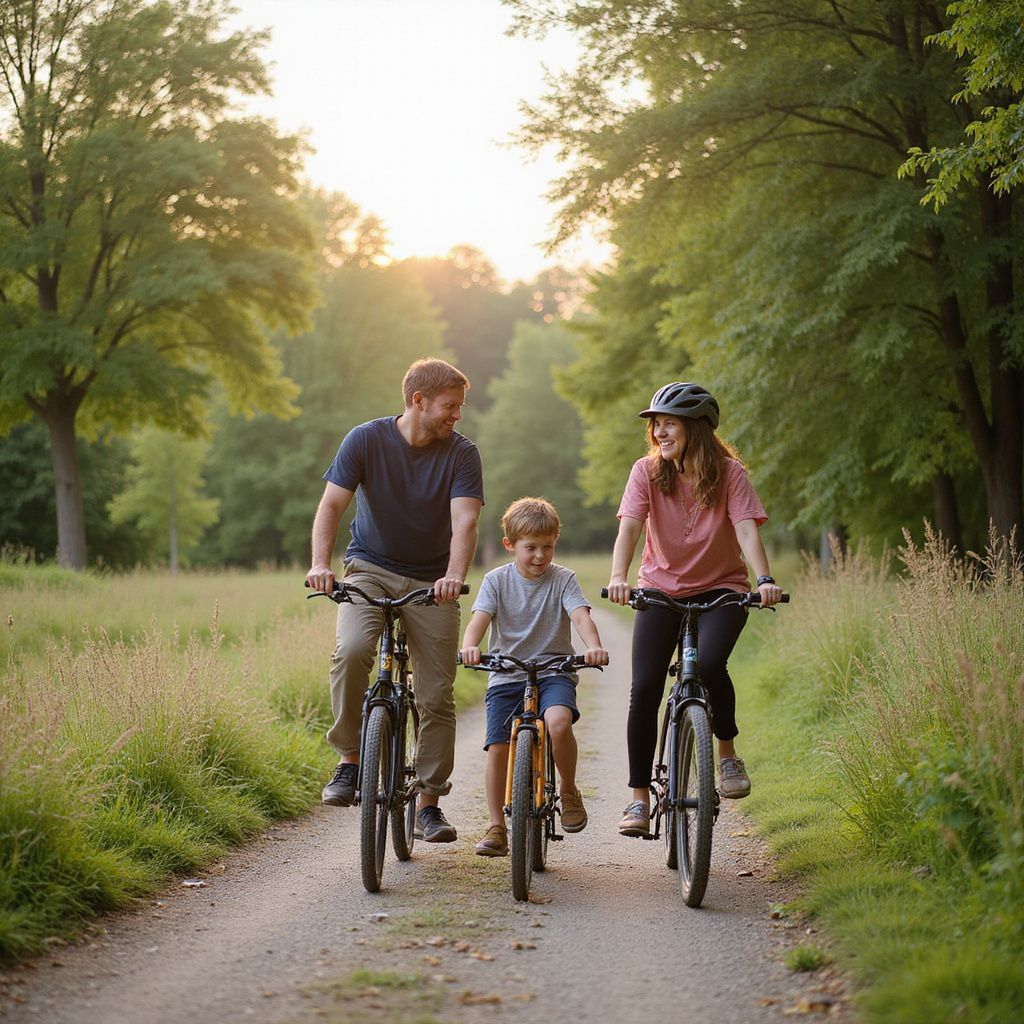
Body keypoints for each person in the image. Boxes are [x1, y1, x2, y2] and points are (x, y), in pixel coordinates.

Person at [306, 358, 483, 843]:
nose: (457, 417)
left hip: (433, 582)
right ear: (417, 401)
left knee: (435, 696)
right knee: (352, 650)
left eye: (460, 407)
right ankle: (348, 760)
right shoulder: (364, 439)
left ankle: (428, 803)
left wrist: (453, 576)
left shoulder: (462, 454)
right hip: (370, 569)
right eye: (450, 407)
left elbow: (464, 521)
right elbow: (332, 505)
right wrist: (321, 564)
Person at [605, 382, 783, 837]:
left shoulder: (730, 474)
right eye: (656, 425)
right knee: (644, 687)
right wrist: (618, 577)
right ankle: (638, 800)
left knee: (707, 666)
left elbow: (745, 530)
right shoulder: (646, 472)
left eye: (668, 424)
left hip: (721, 589)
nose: (659, 433)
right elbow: (629, 529)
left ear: (696, 428)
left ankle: (725, 757)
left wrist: (764, 580)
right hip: (659, 590)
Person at [460, 497, 609, 857]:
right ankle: (496, 825)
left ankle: (569, 790)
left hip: (553, 671)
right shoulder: (496, 581)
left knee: (558, 723)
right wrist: (469, 646)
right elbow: (478, 621)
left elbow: (580, 616)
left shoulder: (563, 579)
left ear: (556, 541)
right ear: (510, 545)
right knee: (497, 747)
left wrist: (594, 645)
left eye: (548, 546)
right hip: (506, 673)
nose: (540, 556)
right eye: (531, 548)